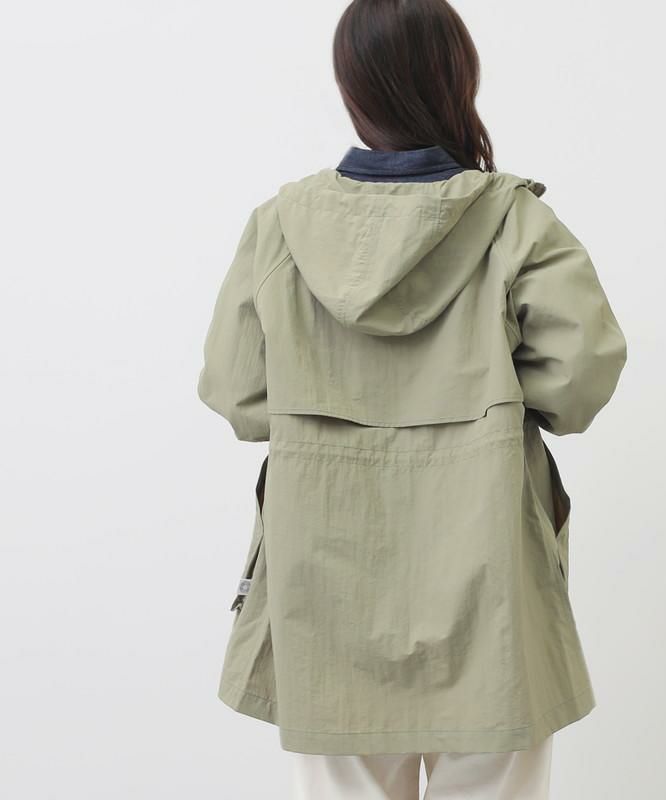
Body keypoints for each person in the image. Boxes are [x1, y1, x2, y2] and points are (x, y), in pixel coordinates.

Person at [196, 0, 627, 796]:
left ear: (351, 87)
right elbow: (578, 383)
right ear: (458, 79)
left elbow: (238, 395)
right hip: (492, 589)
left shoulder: (280, 228)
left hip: (323, 591)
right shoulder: (516, 222)